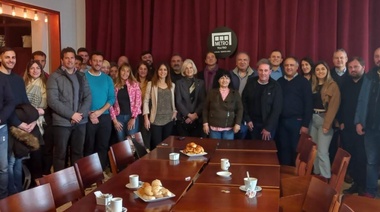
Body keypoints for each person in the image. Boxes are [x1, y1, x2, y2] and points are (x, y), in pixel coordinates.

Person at [47, 47, 92, 172]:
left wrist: (79, 115)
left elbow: (88, 97)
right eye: (66, 58)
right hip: (62, 123)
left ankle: (77, 183)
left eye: (72, 57)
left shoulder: (81, 76)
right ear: (62, 60)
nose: (70, 60)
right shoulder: (54, 77)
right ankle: (60, 186)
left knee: (78, 153)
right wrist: (72, 115)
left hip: (80, 122)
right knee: (60, 155)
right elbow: (52, 101)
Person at [0, 47, 37, 195]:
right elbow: (5, 106)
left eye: (13, 57)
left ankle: (19, 195)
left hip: (19, 125)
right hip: (7, 125)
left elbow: (24, 102)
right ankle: (9, 197)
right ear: (1, 58)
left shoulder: (17, 79)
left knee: (18, 161)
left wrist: (32, 120)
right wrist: (18, 123)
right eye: (7, 57)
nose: (11, 60)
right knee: (7, 164)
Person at [277, 57, 313, 165]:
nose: (289, 67)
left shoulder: (303, 82)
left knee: (296, 149)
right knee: (283, 148)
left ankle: (296, 176)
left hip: (297, 121)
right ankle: (285, 174)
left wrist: (305, 124)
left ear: (297, 67)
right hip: (281, 122)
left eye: (291, 65)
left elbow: (308, 104)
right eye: (286, 65)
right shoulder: (279, 82)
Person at [355, 48, 380, 198]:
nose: (379, 59)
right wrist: (358, 121)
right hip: (370, 128)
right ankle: (371, 192)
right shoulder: (369, 76)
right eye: (377, 56)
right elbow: (362, 100)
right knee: (371, 161)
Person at [338, 57, 366, 195]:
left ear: (363, 67)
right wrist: (341, 121)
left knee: (362, 157)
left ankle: (363, 186)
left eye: (355, 67)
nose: (352, 70)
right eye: (350, 68)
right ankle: (356, 184)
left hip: (362, 128)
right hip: (347, 127)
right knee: (352, 156)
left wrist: (362, 123)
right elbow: (341, 104)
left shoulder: (368, 83)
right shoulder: (345, 83)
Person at [84, 51, 115, 170]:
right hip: (88, 117)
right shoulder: (83, 77)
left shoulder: (107, 79)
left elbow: (112, 98)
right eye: (95, 60)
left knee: (102, 146)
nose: (98, 63)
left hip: (104, 116)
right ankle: (88, 173)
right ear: (90, 62)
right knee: (89, 146)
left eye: (100, 61)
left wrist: (99, 112)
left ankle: (100, 173)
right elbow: (80, 97)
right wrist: (91, 113)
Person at [309, 61, 340, 179]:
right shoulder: (313, 85)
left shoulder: (333, 85)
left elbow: (334, 106)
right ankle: (317, 174)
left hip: (324, 119)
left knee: (322, 151)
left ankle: (325, 177)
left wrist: (327, 124)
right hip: (313, 119)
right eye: (317, 69)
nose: (320, 71)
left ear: (327, 70)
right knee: (315, 150)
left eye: (322, 69)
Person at [242, 59, 282, 140]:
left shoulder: (275, 86)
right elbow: (243, 102)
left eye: (266, 70)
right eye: (261, 70)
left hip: (267, 126)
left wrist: (268, 128)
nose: (263, 73)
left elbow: (277, 109)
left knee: (265, 151)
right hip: (251, 124)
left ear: (270, 72)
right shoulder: (250, 82)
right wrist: (248, 119)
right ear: (257, 71)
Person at [23, 60, 47, 185]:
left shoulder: (45, 84)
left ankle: (36, 185)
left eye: (37, 68)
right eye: (32, 68)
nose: (35, 70)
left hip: (37, 123)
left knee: (36, 155)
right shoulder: (22, 84)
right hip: (23, 123)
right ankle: (27, 185)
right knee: (25, 156)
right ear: (28, 70)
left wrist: (35, 117)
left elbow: (46, 107)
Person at [143, 63, 176, 150]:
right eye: (160, 69)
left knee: (167, 146)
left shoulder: (172, 85)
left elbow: (174, 101)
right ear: (157, 71)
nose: (162, 72)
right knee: (157, 146)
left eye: (165, 70)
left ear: (168, 72)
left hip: (169, 119)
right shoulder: (151, 84)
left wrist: (175, 112)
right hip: (155, 120)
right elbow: (146, 101)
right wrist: (146, 118)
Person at [203, 71, 243, 140]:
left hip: (229, 129)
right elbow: (205, 109)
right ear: (218, 80)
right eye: (222, 78)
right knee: (214, 149)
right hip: (214, 128)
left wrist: (238, 124)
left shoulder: (235, 93)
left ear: (230, 80)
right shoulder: (212, 92)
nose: (224, 80)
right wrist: (205, 124)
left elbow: (240, 109)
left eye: (227, 78)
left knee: (227, 149)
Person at [110, 63, 141, 142]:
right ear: (119, 71)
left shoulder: (134, 84)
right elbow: (110, 103)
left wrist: (133, 118)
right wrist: (115, 121)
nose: (125, 73)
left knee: (132, 143)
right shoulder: (114, 85)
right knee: (122, 143)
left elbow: (138, 102)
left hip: (131, 117)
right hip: (119, 118)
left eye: (128, 71)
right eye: (123, 70)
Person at [175, 59, 206, 137]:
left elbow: (202, 101)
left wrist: (195, 115)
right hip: (183, 119)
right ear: (183, 70)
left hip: (197, 119)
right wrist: (188, 115)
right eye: (186, 68)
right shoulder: (179, 83)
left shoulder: (201, 83)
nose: (189, 70)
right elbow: (178, 101)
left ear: (194, 69)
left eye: (191, 67)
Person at [230, 52, 257, 139]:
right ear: (236, 62)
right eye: (240, 60)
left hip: (249, 111)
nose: (242, 62)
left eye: (245, 60)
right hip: (233, 110)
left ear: (249, 62)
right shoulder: (229, 74)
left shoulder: (255, 74)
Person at [0, 63, 15, 199]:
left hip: (1, 128)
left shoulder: (2, 78)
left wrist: (1, 119)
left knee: (3, 167)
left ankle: (3, 200)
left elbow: (10, 101)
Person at [136, 61, 151, 149]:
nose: (143, 71)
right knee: (135, 136)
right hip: (134, 113)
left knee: (145, 135)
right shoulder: (132, 82)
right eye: (141, 69)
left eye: (145, 69)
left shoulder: (151, 83)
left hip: (146, 113)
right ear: (137, 70)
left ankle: (146, 154)